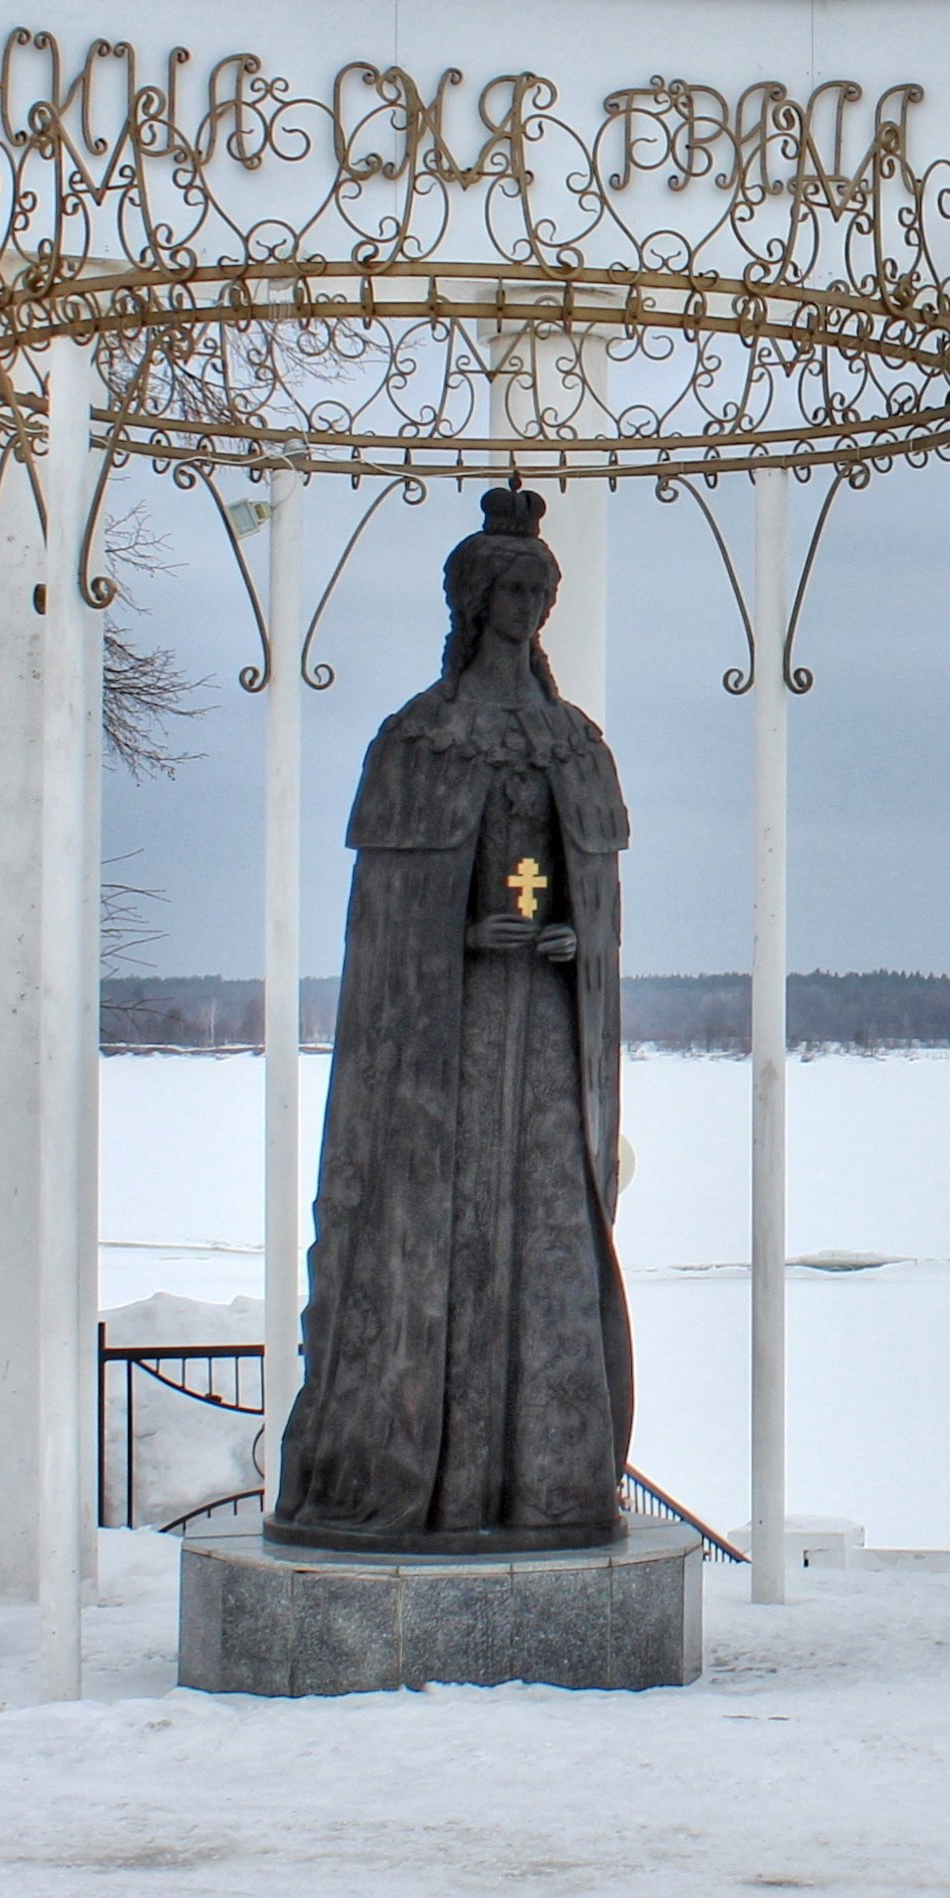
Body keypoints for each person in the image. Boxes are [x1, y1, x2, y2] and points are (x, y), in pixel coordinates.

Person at [264, 485, 633, 1551]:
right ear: (472, 600)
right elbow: (387, 920)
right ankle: (426, 1475)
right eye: (507, 586)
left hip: (544, 1046)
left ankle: (544, 1479)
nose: (523, 604)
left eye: (537, 587)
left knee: (545, 1233)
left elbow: (594, 895)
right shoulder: (420, 739)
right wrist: (460, 941)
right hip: (447, 1053)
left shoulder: (570, 740)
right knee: (439, 1232)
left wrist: (574, 941)